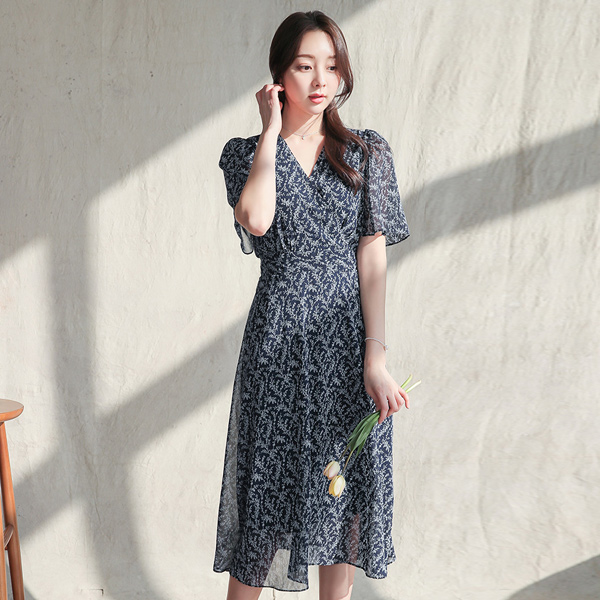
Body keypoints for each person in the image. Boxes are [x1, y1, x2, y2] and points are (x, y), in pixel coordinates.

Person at [213, 10, 410, 600]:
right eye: (304, 66)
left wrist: (375, 357)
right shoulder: (245, 153)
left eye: (331, 66)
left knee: (337, 502)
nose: (321, 80)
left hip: (345, 344)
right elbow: (257, 219)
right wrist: (271, 132)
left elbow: (372, 258)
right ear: (278, 76)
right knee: (265, 503)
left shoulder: (365, 152)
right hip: (277, 342)